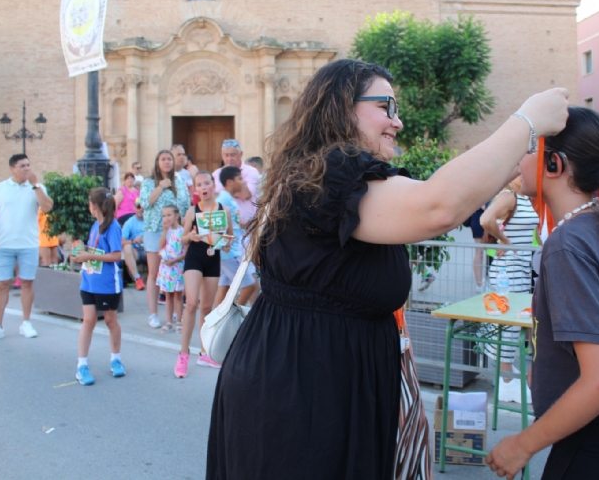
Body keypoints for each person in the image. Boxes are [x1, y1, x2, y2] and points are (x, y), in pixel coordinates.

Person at [205, 58, 568, 479]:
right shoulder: (332, 174)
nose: (397, 122)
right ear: (342, 107)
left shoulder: (324, 175)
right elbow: (438, 206)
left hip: (317, 380)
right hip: (304, 391)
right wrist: (526, 121)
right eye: (386, 107)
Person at [486, 107, 599, 480]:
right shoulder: (598, 224)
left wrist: (522, 445)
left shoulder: (568, 244)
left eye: (526, 150)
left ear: (554, 164)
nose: (519, 161)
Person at [0, 154, 53, 342]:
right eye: (22, 166)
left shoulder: (37, 187)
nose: (27, 169)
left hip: (28, 245)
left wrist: (36, 186)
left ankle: (26, 323)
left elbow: (47, 208)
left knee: (27, 284)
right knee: (2, 284)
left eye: (28, 165)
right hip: (3, 245)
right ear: (12, 169)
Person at [480, 177, 539, 403]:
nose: (523, 177)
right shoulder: (509, 196)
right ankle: (505, 381)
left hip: (519, 269)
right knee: (508, 325)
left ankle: (506, 376)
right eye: (518, 172)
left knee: (513, 324)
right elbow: (486, 219)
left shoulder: (524, 198)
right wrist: (504, 240)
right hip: (508, 271)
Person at [176, 170, 234, 377]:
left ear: (213, 185)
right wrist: (191, 235)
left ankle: (205, 352)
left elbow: (228, 241)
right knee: (192, 303)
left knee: (207, 307)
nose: (203, 188)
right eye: (199, 184)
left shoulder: (224, 210)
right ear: (195, 189)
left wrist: (226, 243)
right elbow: (182, 239)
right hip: (195, 256)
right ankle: (183, 354)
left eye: (206, 183)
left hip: (213, 258)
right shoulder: (192, 212)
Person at [72, 188, 126, 385]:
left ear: (94, 206)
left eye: (89, 203)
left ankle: (116, 359)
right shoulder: (95, 225)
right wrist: (81, 255)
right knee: (88, 321)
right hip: (89, 281)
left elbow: (116, 255)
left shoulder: (113, 227)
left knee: (111, 321)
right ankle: (82, 365)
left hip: (107, 284)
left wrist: (90, 256)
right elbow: (93, 251)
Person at [140, 150, 191, 329]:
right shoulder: (148, 182)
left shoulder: (180, 182)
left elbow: (186, 205)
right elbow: (145, 202)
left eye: (169, 159)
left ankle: (176, 314)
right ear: (157, 162)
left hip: (176, 233)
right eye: (163, 159)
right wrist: (161, 186)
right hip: (155, 231)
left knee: (176, 271)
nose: (167, 162)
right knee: (154, 272)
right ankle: (154, 313)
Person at [211, 166, 256, 309]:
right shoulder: (223, 199)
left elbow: (233, 224)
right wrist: (223, 247)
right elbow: (217, 225)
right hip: (229, 252)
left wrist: (245, 225)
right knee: (250, 285)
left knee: (223, 289)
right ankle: (230, 315)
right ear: (230, 182)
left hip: (229, 251)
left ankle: (216, 322)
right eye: (240, 179)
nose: (243, 182)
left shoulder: (230, 198)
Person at [212, 139, 260, 225]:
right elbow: (212, 197)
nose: (229, 159)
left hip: (248, 227)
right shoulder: (216, 174)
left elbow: (246, 195)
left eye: (233, 155)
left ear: (241, 154)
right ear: (221, 155)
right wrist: (236, 192)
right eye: (226, 155)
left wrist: (223, 194)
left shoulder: (251, 172)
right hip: (224, 226)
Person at [157, 204, 186, 334]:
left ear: (176, 216)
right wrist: (164, 230)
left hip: (177, 266)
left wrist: (175, 260)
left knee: (178, 295)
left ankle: (179, 320)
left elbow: (186, 251)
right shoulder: (166, 231)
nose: (166, 218)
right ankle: (168, 321)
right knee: (168, 295)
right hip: (166, 267)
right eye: (164, 215)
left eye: (169, 215)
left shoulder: (182, 231)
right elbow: (160, 245)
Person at [121, 200, 146, 290]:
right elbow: (121, 241)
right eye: (139, 207)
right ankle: (137, 279)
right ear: (135, 208)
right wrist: (133, 241)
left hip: (150, 249)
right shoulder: (129, 222)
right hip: (136, 250)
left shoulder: (151, 221)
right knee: (127, 248)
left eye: (144, 207)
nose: (141, 209)